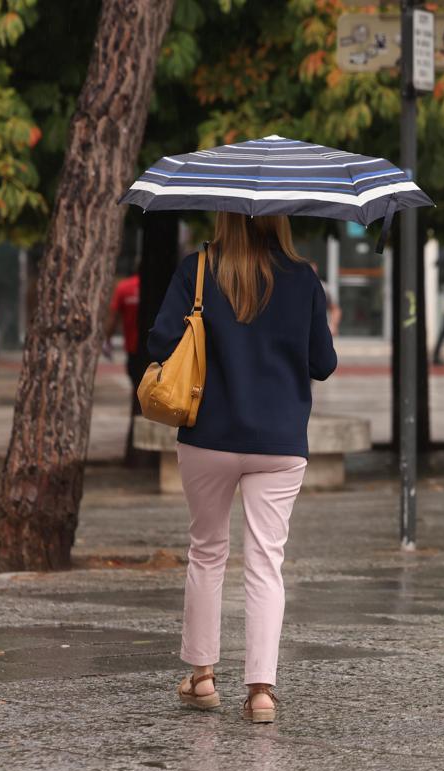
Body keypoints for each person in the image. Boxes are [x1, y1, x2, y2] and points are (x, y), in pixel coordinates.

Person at [147, 212, 337, 724]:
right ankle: (260, 692)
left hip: (208, 434)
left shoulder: (198, 269)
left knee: (207, 552)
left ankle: (203, 677)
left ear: (223, 215)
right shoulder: (302, 277)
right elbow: (323, 363)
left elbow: (161, 343)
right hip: (279, 442)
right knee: (265, 561)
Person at [104, 269, 149, 463]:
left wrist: (106, 340)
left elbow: (113, 318)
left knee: (138, 397)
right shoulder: (169, 286)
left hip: (133, 351)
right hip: (156, 352)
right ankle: (142, 451)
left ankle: (136, 451)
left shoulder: (124, 288)